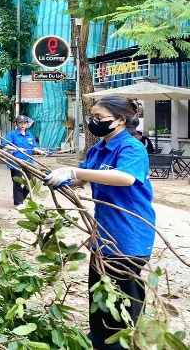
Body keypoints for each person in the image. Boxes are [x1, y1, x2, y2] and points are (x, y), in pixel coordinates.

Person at [44, 96, 156, 350]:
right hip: (102, 237)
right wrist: (55, 177)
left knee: (123, 306)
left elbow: (125, 177)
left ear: (120, 120)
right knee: (99, 299)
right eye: (91, 117)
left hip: (128, 237)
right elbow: (81, 179)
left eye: (99, 118)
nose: (92, 122)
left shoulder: (131, 148)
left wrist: (76, 172)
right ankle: (100, 344)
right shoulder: (98, 149)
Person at [1, 114, 49, 210]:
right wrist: (17, 148)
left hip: (28, 162)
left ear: (27, 124)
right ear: (17, 124)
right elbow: (5, 145)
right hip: (15, 162)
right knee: (17, 182)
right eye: (20, 123)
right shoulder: (12, 134)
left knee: (31, 182)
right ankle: (18, 203)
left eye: (24, 123)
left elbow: (34, 147)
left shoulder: (29, 135)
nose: (23, 125)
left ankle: (20, 199)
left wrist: (42, 152)